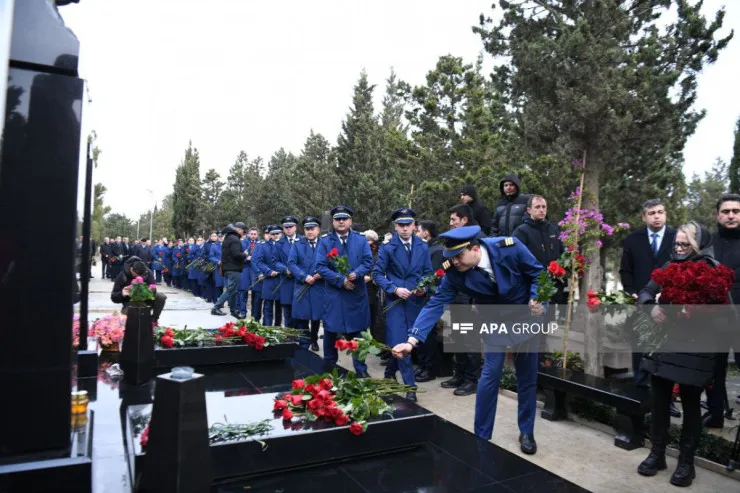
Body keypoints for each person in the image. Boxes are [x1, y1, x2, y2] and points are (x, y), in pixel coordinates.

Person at [391, 225, 544, 455]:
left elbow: (538, 274)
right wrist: (412, 341)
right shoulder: (455, 273)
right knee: (490, 375)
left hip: (525, 316)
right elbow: (435, 304)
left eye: (458, 256)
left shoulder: (510, 248)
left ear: (475, 249)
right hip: (494, 321)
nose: (454, 262)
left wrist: (537, 298)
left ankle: (527, 431)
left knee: (527, 377)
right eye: (451, 258)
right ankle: (481, 437)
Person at [636, 222, 727, 487]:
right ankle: (657, 455)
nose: (679, 248)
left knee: (690, 405)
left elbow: (723, 314)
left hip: (694, 349)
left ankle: (686, 463)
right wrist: (652, 307)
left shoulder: (712, 270)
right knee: (659, 402)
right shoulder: (669, 266)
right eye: (676, 243)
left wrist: (692, 312)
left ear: (699, 244)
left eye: (685, 244)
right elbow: (646, 291)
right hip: (664, 346)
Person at [619, 199, 677, 405]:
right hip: (640, 303)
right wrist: (632, 292)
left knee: (666, 349)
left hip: (669, 304)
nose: (657, 216)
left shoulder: (676, 238)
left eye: (660, 212)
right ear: (644, 217)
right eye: (652, 213)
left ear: (665, 214)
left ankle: (667, 399)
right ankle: (640, 392)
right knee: (640, 346)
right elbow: (625, 270)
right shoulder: (633, 239)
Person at [373, 208, 432, 401]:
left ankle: (389, 373)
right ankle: (410, 387)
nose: (405, 228)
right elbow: (376, 274)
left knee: (409, 342)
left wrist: (424, 288)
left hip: (415, 301)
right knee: (399, 339)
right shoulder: (388, 247)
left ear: (414, 226)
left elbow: (428, 273)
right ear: (395, 227)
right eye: (401, 225)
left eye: (408, 224)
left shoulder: (422, 246)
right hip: (396, 302)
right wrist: (394, 288)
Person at [315, 205, 374, 377]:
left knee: (358, 334)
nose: (341, 222)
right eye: (338, 219)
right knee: (331, 332)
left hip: (356, 294)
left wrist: (357, 273)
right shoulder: (325, 241)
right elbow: (320, 266)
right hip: (335, 295)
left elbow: (368, 262)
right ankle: (329, 370)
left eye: (344, 219)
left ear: (350, 221)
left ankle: (361, 371)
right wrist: (341, 280)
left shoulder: (361, 240)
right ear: (333, 222)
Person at [704, 193, 740, 426]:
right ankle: (715, 413)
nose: (731, 216)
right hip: (715, 317)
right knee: (713, 368)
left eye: (736, 211)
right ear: (718, 216)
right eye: (726, 212)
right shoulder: (709, 243)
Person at [288, 216, 325, 351]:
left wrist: (323, 273)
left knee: (316, 317)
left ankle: (314, 339)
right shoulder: (297, 244)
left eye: (312, 229)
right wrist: (304, 276)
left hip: (318, 286)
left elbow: (332, 262)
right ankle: (304, 343)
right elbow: (291, 264)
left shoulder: (325, 244)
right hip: (302, 285)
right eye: (307, 229)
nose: (310, 232)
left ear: (318, 230)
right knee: (302, 317)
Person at [415, 220, 443, 382]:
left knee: (429, 334)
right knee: (419, 332)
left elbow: (434, 276)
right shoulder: (424, 248)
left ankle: (430, 368)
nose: (416, 234)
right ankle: (422, 364)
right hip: (419, 297)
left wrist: (424, 288)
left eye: (418, 231)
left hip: (430, 298)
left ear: (426, 233)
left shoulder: (437, 250)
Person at [111, 256, 167, 322]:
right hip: (130, 302)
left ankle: (154, 319)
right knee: (128, 321)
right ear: (131, 269)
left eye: (141, 275)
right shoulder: (122, 275)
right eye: (136, 275)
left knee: (161, 296)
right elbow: (113, 297)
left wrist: (147, 292)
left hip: (146, 301)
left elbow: (153, 290)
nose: (139, 277)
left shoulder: (148, 273)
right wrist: (122, 294)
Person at [211, 223, 246, 317]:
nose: (243, 233)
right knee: (231, 290)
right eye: (243, 230)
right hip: (233, 268)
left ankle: (233, 311)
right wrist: (245, 254)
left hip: (228, 268)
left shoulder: (228, 237)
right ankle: (216, 307)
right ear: (239, 229)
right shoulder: (235, 239)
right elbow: (236, 254)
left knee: (233, 290)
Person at [274, 216, 301, 330]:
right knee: (287, 310)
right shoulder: (279, 243)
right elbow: (275, 261)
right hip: (287, 280)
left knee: (300, 311)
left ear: (295, 227)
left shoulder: (303, 240)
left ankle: (301, 334)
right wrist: (285, 269)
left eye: (291, 226)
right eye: (286, 227)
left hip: (301, 280)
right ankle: (289, 334)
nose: (288, 229)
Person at [253, 224, 282, 325]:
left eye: (277, 233)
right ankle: (267, 327)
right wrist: (269, 271)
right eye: (273, 234)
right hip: (269, 279)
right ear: (270, 234)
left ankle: (277, 327)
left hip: (282, 279)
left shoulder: (285, 245)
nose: (275, 235)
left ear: (281, 233)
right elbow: (259, 261)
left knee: (279, 307)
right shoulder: (263, 246)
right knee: (268, 306)